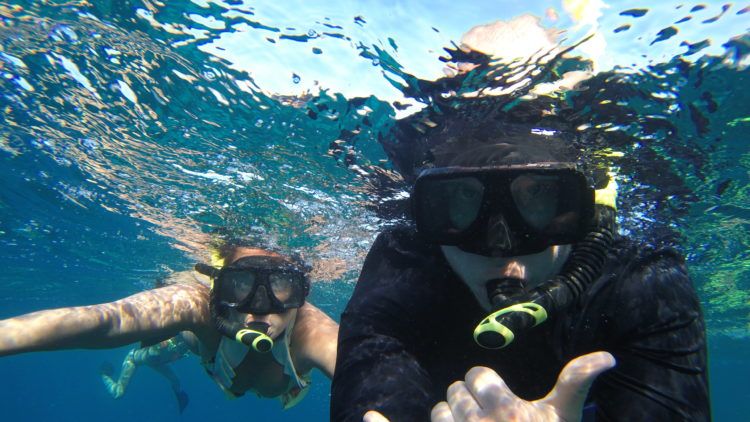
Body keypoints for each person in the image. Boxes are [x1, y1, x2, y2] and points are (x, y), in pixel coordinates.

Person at [330, 122, 709, 421]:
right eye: (462, 197)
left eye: (539, 195)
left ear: (580, 209)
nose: (501, 245)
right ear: (432, 211)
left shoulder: (642, 282)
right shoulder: (402, 269)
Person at [0, 244, 339, 410]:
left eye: (281, 286)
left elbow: (361, 362)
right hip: (211, 357)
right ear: (218, 288)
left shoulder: (311, 329)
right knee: (177, 336)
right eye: (239, 286)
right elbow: (110, 319)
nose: (259, 307)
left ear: (302, 292)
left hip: (284, 386)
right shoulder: (197, 304)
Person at [100, 336, 191, 413]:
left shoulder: (185, 343)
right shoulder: (165, 342)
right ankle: (104, 374)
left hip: (158, 362)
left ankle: (180, 396)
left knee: (176, 380)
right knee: (118, 393)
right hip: (133, 359)